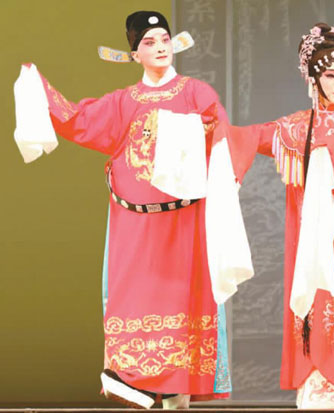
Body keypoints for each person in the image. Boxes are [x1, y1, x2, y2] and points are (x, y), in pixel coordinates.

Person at [13, 10, 245, 410]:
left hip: (185, 222)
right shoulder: (123, 102)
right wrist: (38, 88)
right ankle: (131, 380)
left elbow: (222, 136)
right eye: (149, 43)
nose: (160, 48)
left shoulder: (196, 93)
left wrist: (212, 148)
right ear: (134, 54)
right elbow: (77, 119)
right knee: (135, 300)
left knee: (185, 302)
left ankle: (176, 395)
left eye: (165, 40)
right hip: (135, 225)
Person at [215, 22, 334, 409]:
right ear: (313, 78)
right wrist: (211, 130)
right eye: (329, 75)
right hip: (312, 242)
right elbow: (249, 137)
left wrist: (331, 151)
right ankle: (319, 386)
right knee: (315, 303)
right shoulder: (296, 128)